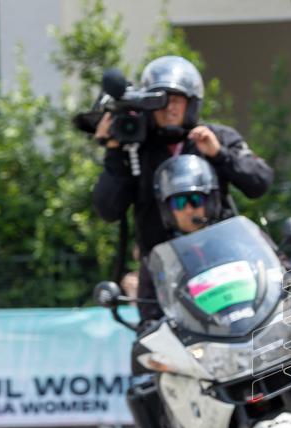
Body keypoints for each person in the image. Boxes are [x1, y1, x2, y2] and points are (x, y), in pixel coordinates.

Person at [92, 55, 274, 323]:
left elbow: (260, 182)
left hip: (224, 265)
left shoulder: (216, 137)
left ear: (192, 102)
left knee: (249, 330)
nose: (168, 107)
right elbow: (108, 209)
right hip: (161, 273)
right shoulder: (135, 147)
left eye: (176, 99)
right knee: (154, 349)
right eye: (160, 99)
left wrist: (219, 154)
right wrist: (113, 152)